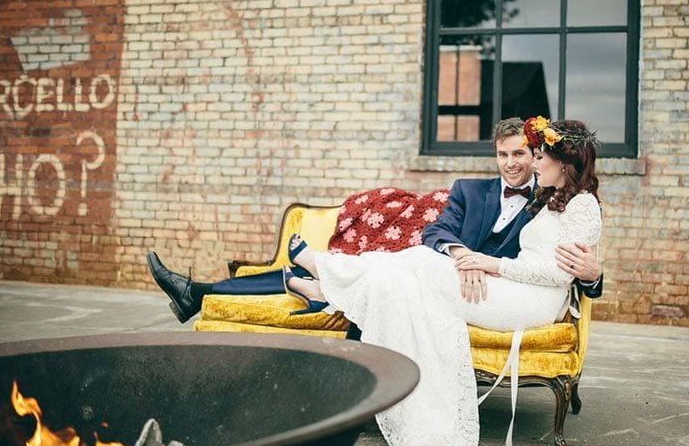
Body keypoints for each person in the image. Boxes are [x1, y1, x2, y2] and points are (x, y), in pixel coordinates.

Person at [281, 117, 602, 446]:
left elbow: (560, 274)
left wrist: (490, 264)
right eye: (507, 154)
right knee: (398, 279)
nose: (532, 162)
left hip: (528, 299)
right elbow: (442, 233)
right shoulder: (553, 199)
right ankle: (324, 281)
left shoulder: (581, 205)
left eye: (537, 157)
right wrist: (469, 259)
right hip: (507, 286)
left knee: (417, 263)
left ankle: (321, 272)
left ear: (563, 163)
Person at [146, 118, 603, 326]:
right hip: (429, 258)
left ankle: (213, 292)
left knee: (326, 270)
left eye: (521, 154)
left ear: (537, 154)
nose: (511, 164)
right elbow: (436, 231)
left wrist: (595, 276)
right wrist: (462, 254)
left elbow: (566, 257)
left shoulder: (549, 198)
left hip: (464, 283)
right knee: (348, 268)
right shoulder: (470, 189)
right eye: (502, 155)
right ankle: (202, 293)